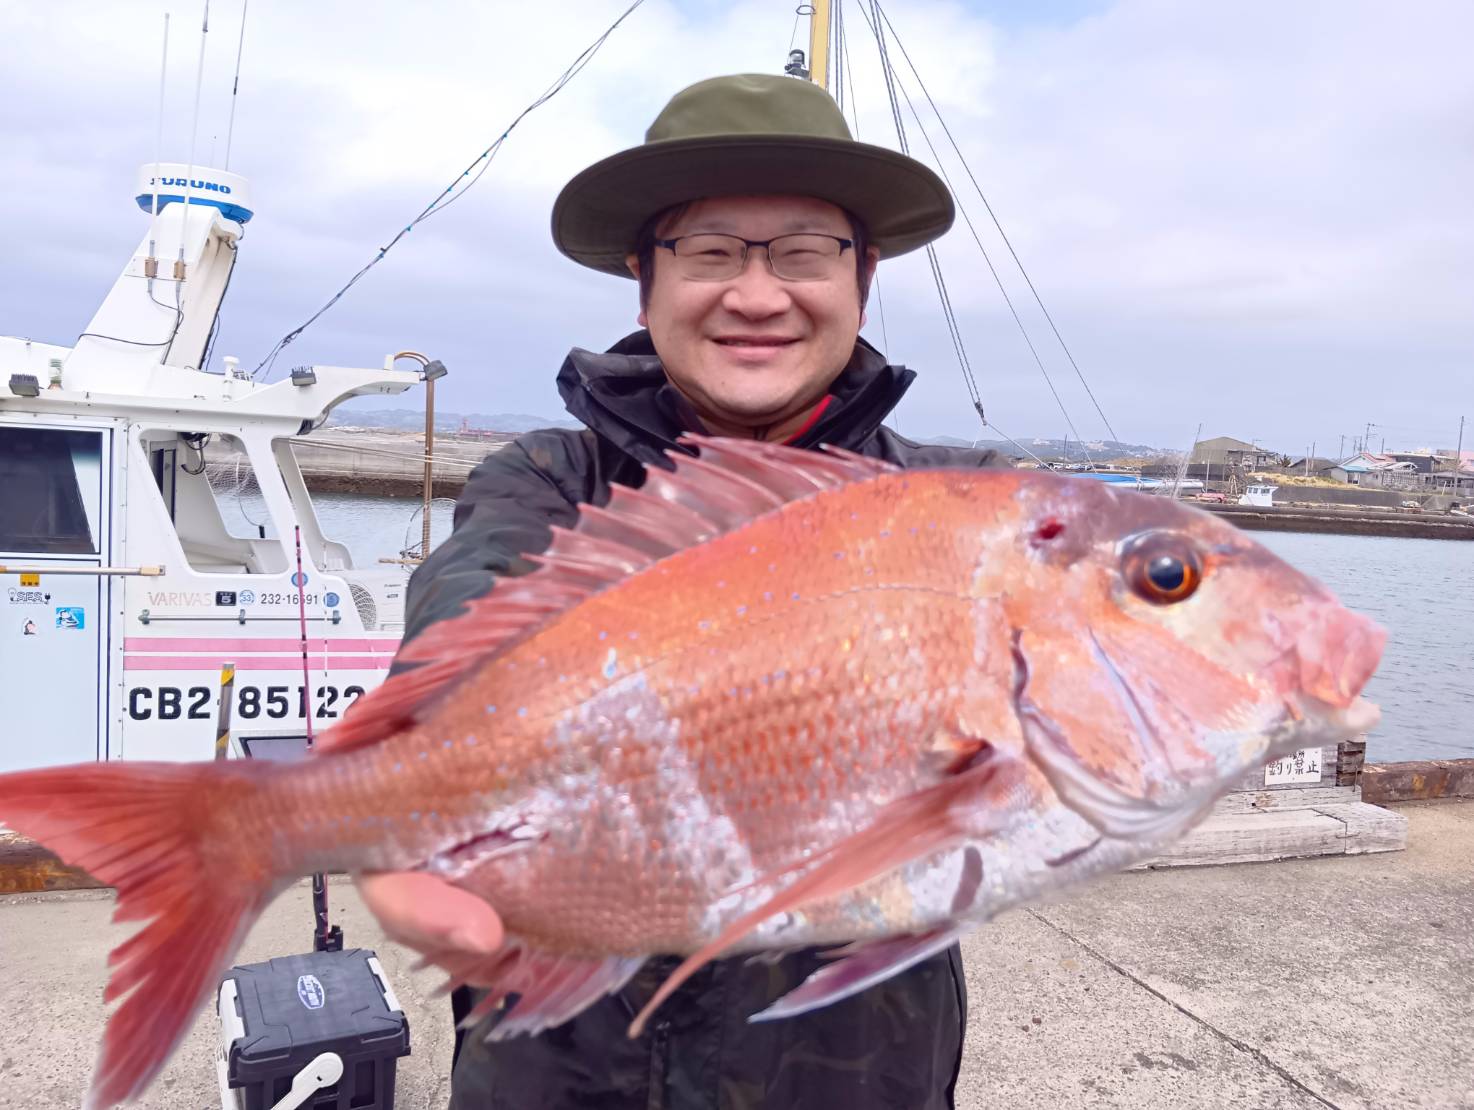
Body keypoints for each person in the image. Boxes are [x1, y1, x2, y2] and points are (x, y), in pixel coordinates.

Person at [359, 73, 1003, 1108]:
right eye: (709, 253)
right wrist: (410, 785)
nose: (757, 296)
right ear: (643, 280)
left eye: (805, 252)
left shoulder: (957, 511)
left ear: (864, 277)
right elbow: (468, 620)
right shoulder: (548, 481)